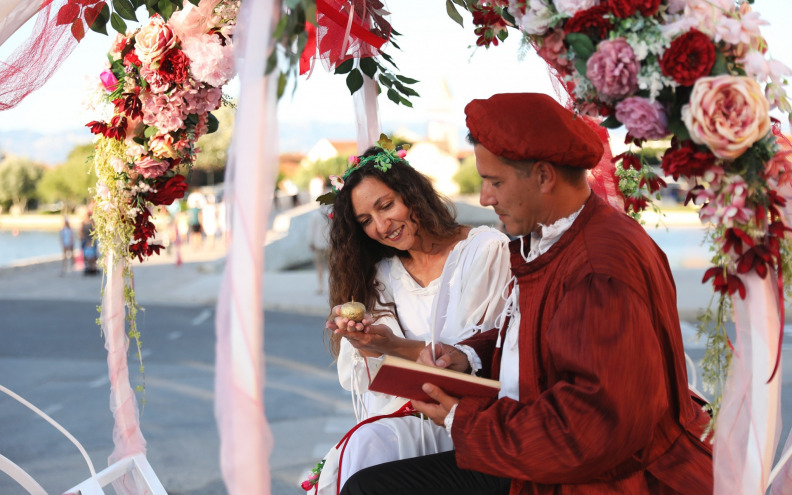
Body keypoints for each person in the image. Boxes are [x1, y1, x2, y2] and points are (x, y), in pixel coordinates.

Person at [340, 93, 714, 494]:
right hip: (533, 446)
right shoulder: (555, 240)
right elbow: (525, 335)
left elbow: (590, 430)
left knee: (372, 488)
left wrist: (463, 421)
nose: (484, 197)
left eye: (495, 181)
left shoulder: (598, 267)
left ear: (543, 176)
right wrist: (466, 357)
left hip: (593, 477)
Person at [314, 138, 512, 495]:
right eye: (365, 220)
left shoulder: (483, 251)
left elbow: (480, 357)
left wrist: (393, 345)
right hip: (399, 423)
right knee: (365, 449)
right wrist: (364, 344)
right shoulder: (378, 276)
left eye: (386, 205)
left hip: (464, 422)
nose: (381, 225)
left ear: (412, 194)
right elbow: (366, 383)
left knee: (367, 452)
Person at [308, 205, 331, 294]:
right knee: (331, 267)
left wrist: (310, 242)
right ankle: (331, 286)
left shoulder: (315, 215)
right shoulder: (331, 215)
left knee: (319, 266)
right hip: (330, 244)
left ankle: (321, 287)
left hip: (319, 244)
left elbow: (311, 229)